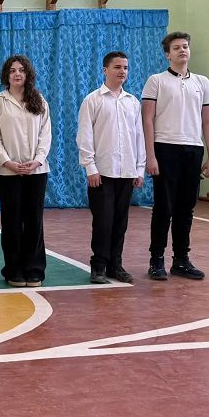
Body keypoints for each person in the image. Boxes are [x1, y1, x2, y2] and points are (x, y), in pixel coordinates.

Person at [142, 31, 209, 280]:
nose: (182, 50)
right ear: (167, 54)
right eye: (176, 48)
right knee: (164, 207)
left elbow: (208, 122)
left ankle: (181, 260)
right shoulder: (156, 81)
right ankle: (156, 260)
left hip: (193, 149)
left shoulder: (202, 83)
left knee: (186, 208)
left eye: (185, 46)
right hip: (165, 148)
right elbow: (147, 119)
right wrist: (150, 156)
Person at [76, 52, 145, 285]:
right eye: (117, 67)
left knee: (120, 222)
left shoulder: (132, 102)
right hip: (102, 172)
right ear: (105, 70)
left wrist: (139, 169)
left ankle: (116, 265)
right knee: (103, 221)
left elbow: (138, 137)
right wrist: (90, 167)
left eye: (125, 67)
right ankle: (98, 266)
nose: (122, 71)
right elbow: (85, 136)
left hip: (126, 171)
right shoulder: (92, 100)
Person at [0, 55, 52, 288]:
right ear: (6, 75)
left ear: (28, 74)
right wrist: (8, 162)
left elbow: (45, 134)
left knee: (34, 222)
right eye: (12, 70)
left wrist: (37, 161)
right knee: (12, 222)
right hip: (8, 173)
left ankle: (34, 270)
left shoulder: (39, 100)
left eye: (21, 70)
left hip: (36, 172)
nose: (17, 74)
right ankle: (13, 270)